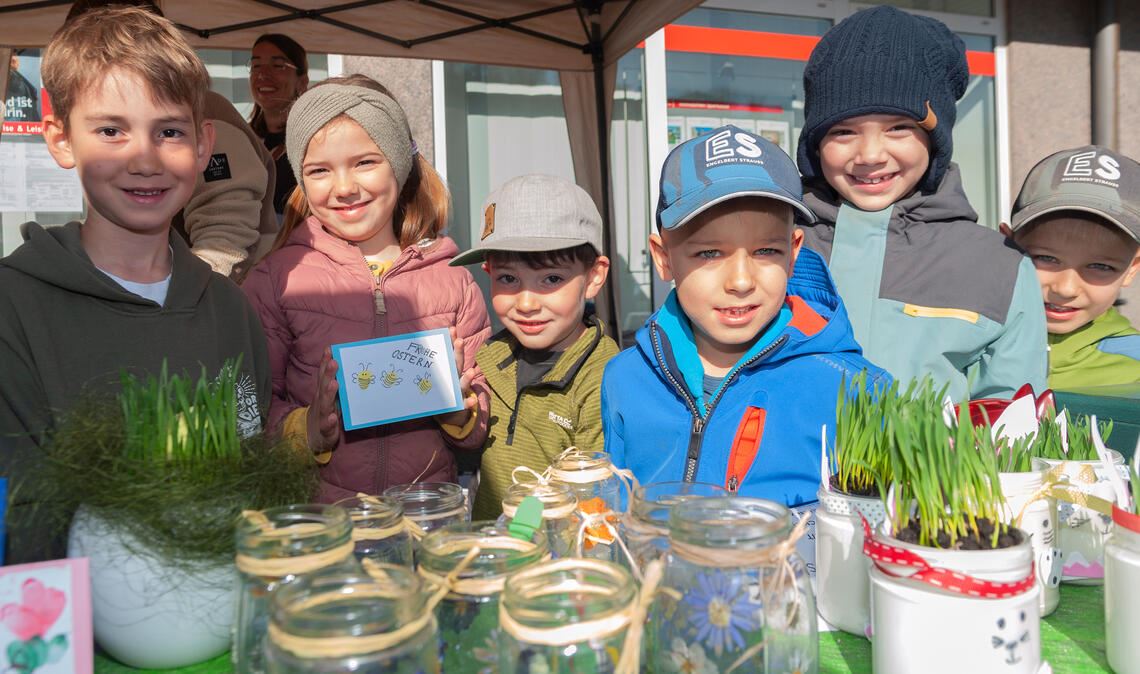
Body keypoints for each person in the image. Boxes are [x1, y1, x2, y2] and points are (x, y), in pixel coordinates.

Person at [0, 6, 270, 562]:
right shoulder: (14, 308)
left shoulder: (230, 310)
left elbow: (249, 473)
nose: (144, 159)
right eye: (110, 131)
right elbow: (24, 517)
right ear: (61, 139)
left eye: (169, 131)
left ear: (203, 144)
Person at [601, 125, 889, 505]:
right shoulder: (625, 378)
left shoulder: (855, 391)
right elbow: (615, 508)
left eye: (766, 251)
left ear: (794, 252)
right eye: (709, 253)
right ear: (663, 257)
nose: (740, 281)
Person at [243, 75, 491, 501]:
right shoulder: (276, 280)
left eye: (365, 163)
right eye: (319, 170)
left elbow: (480, 416)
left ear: (399, 164)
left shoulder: (454, 279)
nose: (344, 188)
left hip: (424, 518)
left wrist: (459, 410)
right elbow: (251, 409)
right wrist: (307, 429)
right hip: (323, 524)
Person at [795, 6, 1046, 402]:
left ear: (935, 138)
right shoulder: (773, 242)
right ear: (815, 143)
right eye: (843, 131)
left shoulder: (998, 266)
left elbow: (1010, 417)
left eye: (899, 128)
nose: (870, 154)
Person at [62, 0, 279, 280]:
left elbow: (226, 241)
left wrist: (169, 297)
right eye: (111, 131)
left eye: (168, 133)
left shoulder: (202, 114)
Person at [450, 174, 617, 520]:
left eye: (551, 279)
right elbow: (469, 455)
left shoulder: (604, 377)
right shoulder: (490, 355)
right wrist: (457, 417)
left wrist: (519, 533)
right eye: (508, 279)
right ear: (488, 272)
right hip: (493, 544)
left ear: (594, 277)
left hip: (560, 546)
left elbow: (592, 495)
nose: (526, 303)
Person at [1004, 146, 1140, 389]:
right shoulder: (962, 342)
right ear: (1006, 245)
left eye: (1101, 266)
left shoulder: (1134, 365)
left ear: (1133, 267)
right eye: (1046, 258)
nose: (1065, 289)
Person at [248, 33, 308, 217]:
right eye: (256, 65)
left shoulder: (312, 141)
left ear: (302, 82)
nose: (263, 74)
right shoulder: (243, 138)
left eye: (278, 65)